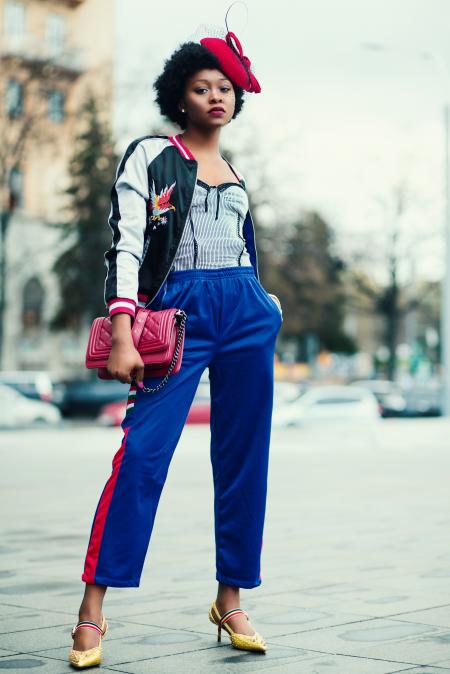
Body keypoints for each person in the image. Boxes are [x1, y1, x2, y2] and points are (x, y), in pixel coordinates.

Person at [69, 19, 283, 669]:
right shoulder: (152, 156)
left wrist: (265, 301)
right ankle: (90, 612)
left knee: (246, 461)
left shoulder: (237, 172)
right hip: (177, 319)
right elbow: (126, 244)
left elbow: (241, 249)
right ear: (179, 96)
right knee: (142, 457)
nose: (216, 96)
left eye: (225, 88)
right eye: (201, 87)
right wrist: (124, 331)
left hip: (245, 314)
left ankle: (232, 597)